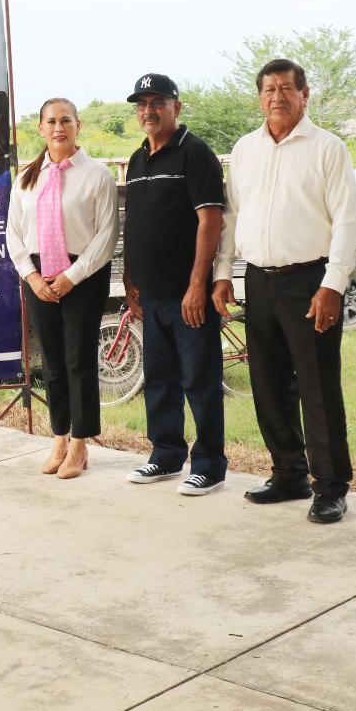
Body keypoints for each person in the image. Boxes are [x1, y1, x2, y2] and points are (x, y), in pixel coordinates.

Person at [213, 58, 356, 524]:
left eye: (286, 89)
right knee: (269, 385)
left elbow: (346, 222)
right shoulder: (245, 149)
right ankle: (289, 472)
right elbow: (232, 217)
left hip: (310, 281)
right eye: (268, 89)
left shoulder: (328, 148)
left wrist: (333, 285)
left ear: (305, 94)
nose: (277, 96)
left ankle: (331, 485)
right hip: (258, 280)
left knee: (317, 387)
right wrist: (223, 273)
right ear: (259, 96)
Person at [120, 74, 228, 496]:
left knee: (199, 380)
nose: (149, 110)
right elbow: (137, 223)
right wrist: (130, 277)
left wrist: (197, 285)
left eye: (158, 102)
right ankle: (165, 455)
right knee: (160, 378)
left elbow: (210, 220)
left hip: (188, 296)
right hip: (150, 294)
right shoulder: (136, 159)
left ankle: (210, 465)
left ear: (176, 107)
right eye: (142, 103)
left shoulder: (195, 153)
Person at [6, 98, 118, 479]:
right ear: (40, 128)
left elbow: (107, 236)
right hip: (39, 276)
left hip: (82, 275)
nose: (59, 128)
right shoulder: (26, 179)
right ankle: (58, 437)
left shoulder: (98, 175)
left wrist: (74, 274)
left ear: (78, 126)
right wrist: (32, 276)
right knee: (52, 363)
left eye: (65, 120)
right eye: (51, 121)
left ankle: (80, 445)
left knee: (77, 360)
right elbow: (14, 235)